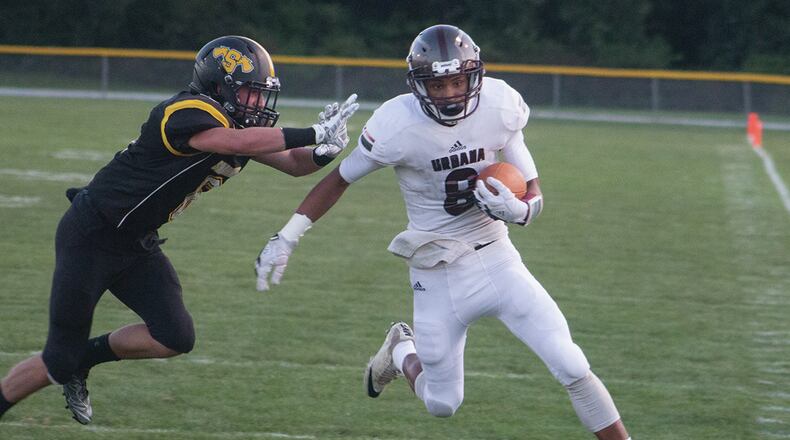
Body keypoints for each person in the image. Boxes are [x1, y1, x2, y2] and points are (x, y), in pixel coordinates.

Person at [254, 25, 631, 439]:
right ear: (419, 85)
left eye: (457, 81)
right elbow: (339, 179)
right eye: (438, 84)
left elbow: (533, 194)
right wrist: (288, 235)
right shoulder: (397, 124)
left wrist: (520, 210)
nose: (450, 93)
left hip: (498, 256)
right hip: (437, 269)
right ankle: (401, 350)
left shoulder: (499, 105)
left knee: (573, 365)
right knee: (442, 404)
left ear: (474, 75)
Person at [0, 35, 359, 425]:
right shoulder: (189, 109)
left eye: (261, 96)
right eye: (251, 94)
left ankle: (82, 360)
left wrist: (325, 151)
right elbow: (228, 140)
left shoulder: (239, 127)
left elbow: (293, 163)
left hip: (136, 244)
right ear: (219, 87)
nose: (258, 104)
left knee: (174, 337)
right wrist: (312, 132)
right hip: (92, 235)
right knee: (57, 357)